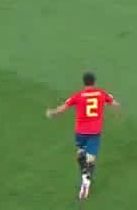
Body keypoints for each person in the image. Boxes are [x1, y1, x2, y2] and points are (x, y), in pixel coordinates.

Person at [45, 71, 120, 201]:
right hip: (95, 131)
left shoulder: (78, 96)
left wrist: (52, 112)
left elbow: (63, 107)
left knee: (80, 154)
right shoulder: (101, 93)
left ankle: (85, 175)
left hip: (80, 131)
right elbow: (115, 103)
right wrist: (116, 111)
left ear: (84, 82)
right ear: (94, 81)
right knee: (90, 159)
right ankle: (86, 178)